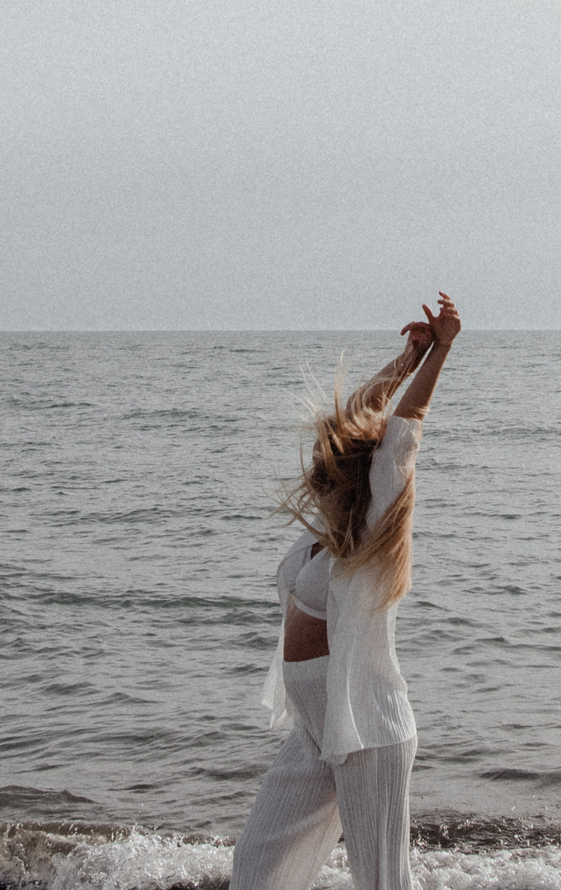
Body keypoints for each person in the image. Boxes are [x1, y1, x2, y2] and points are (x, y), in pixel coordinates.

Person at [230, 293, 462, 890]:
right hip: (317, 729)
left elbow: (402, 435)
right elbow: (357, 414)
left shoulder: (372, 527)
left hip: (369, 730)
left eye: (334, 456)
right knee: (257, 868)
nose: (319, 458)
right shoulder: (321, 537)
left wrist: (441, 351)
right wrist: (407, 353)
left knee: (383, 883)